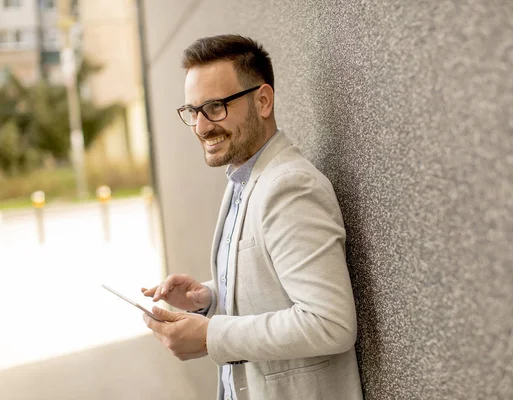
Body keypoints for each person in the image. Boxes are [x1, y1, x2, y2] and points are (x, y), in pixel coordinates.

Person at [140, 34, 363, 400]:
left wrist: (212, 336)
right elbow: (276, 285)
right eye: (193, 111)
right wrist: (208, 296)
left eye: (215, 106)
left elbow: (330, 323)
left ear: (262, 101)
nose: (201, 126)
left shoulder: (289, 187)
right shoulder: (243, 178)